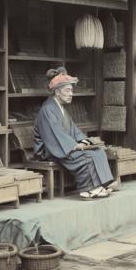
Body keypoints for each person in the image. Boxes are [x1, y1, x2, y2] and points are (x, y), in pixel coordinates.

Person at [34, 67, 118, 200]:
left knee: (98, 151)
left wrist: (83, 141)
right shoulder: (47, 109)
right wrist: (74, 145)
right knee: (86, 157)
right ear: (56, 92)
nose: (71, 94)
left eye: (71, 90)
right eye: (67, 90)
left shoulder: (60, 108)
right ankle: (87, 190)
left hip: (63, 145)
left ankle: (103, 183)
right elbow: (55, 135)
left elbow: (73, 129)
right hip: (51, 149)